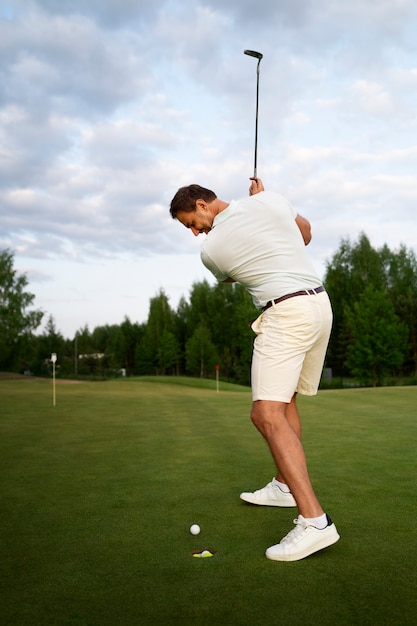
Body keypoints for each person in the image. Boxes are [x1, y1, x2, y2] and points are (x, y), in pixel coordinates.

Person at [169, 177, 340, 561]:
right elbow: (306, 234)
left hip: (286, 314)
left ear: (201, 204)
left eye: (191, 224)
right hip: (319, 307)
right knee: (286, 400)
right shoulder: (272, 200)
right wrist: (265, 204)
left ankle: (315, 521)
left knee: (265, 413)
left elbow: (233, 275)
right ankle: (283, 486)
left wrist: (260, 213)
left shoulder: (212, 251)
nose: (196, 233)